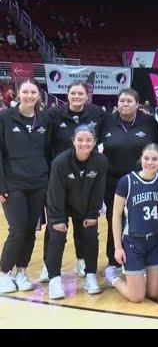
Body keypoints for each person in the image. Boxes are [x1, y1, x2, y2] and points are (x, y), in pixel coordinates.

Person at [39, 81, 105, 283]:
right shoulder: (53, 115)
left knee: (82, 226)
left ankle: (81, 261)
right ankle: (48, 266)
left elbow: (104, 132)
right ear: (67, 95)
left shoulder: (96, 114)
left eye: (81, 93)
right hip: (59, 176)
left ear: (87, 96)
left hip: (85, 176)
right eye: (73, 93)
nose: (77, 97)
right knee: (55, 227)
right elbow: (45, 143)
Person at [100, 88, 158, 283]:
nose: (125, 104)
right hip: (114, 181)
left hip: (143, 180)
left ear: (137, 104)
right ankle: (113, 262)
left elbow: (157, 148)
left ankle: (147, 260)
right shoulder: (106, 121)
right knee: (113, 219)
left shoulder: (149, 122)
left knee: (142, 220)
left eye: (129, 101)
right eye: (122, 101)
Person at [0, 79, 51, 294]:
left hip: (38, 183)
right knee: (17, 229)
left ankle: (21, 272)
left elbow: (48, 152)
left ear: (39, 96)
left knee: (31, 230)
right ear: (18, 94)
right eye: (25, 92)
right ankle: (3, 274)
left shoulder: (44, 120)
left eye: (33, 92)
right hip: (13, 184)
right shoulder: (4, 118)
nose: (29, 95)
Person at [44, 126, 107, 299]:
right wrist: (57, 218)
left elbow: (98, 190)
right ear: (73, 141)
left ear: (94, 142)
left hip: (85, 205)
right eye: (80, 140)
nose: (84, 143)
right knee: (56, 238)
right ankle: (54, 279)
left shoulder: (100, 161)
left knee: (90, 236)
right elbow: (55, 192)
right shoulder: (60, 162)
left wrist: (92, 214)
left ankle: (90, 275)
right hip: (61, 206)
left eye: (88, 140)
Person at [107, 144, 158, 303]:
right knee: (137, 296)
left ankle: (139, 279)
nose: (150, 162)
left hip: (156, 240)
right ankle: (113, 278)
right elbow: (116, 216)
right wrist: (118, 248)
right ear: (141, 159)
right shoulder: (126, 181)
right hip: (133, 241)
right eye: (146, 158)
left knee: (154, 293)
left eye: (155, 159)